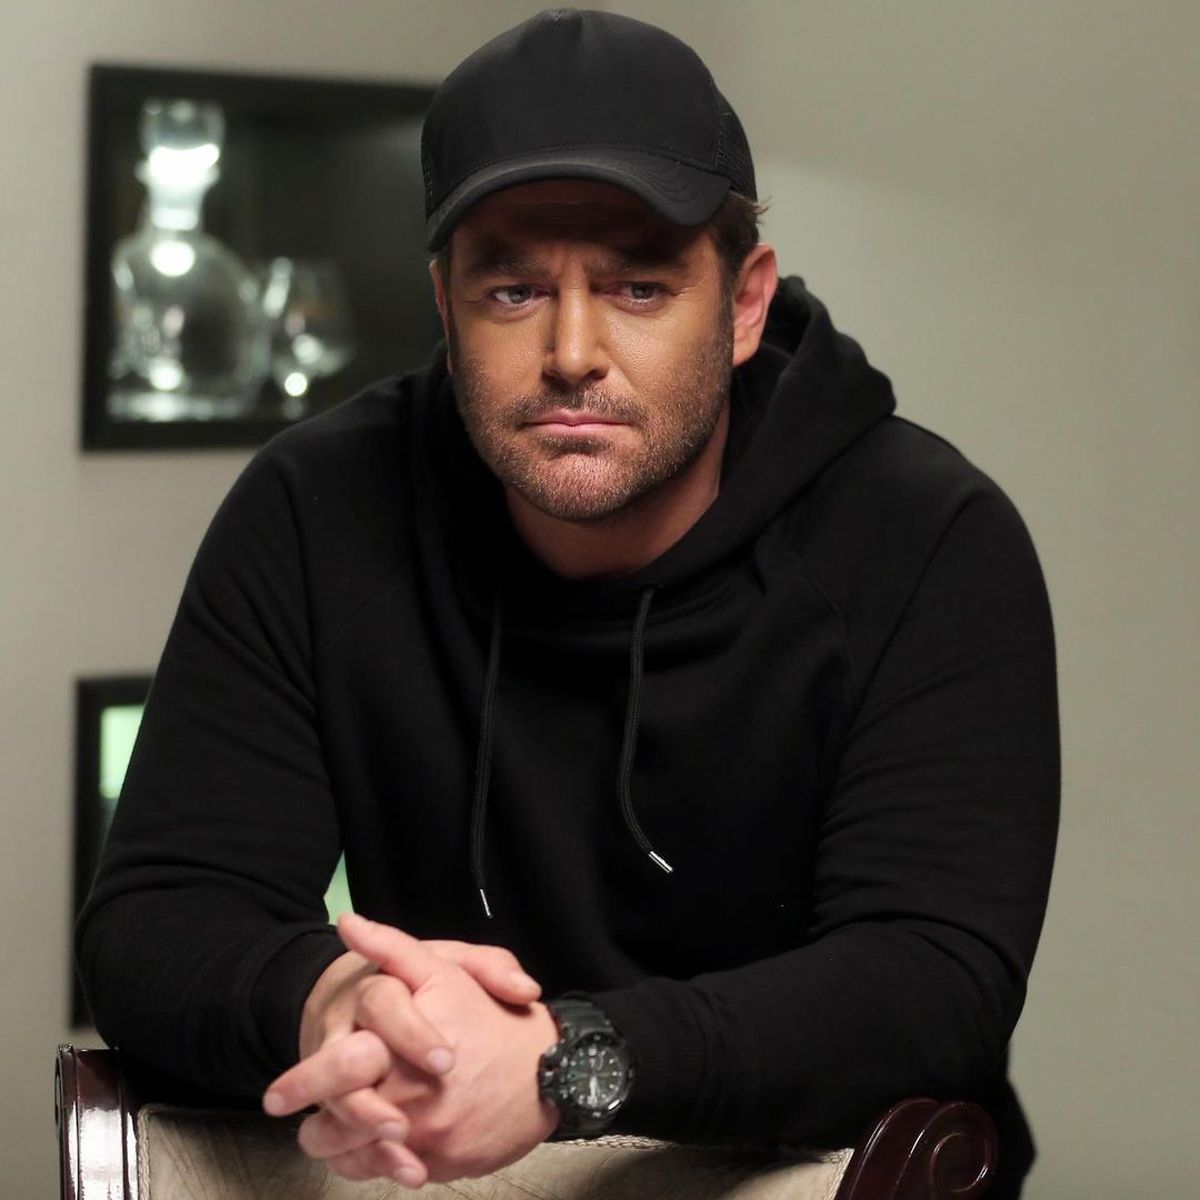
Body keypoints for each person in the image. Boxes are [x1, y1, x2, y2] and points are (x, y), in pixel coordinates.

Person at [77, 9, 1059, 1198]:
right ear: (444, 305)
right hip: (444, 1162)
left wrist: (565, 1061)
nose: (574, 352)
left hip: (811, 1169)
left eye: (640, 286)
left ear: (745, 304)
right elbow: (157, 920)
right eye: (513, 290)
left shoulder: (927, 537)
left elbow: (930, 982)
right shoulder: (316, 506)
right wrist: (337, 1000)